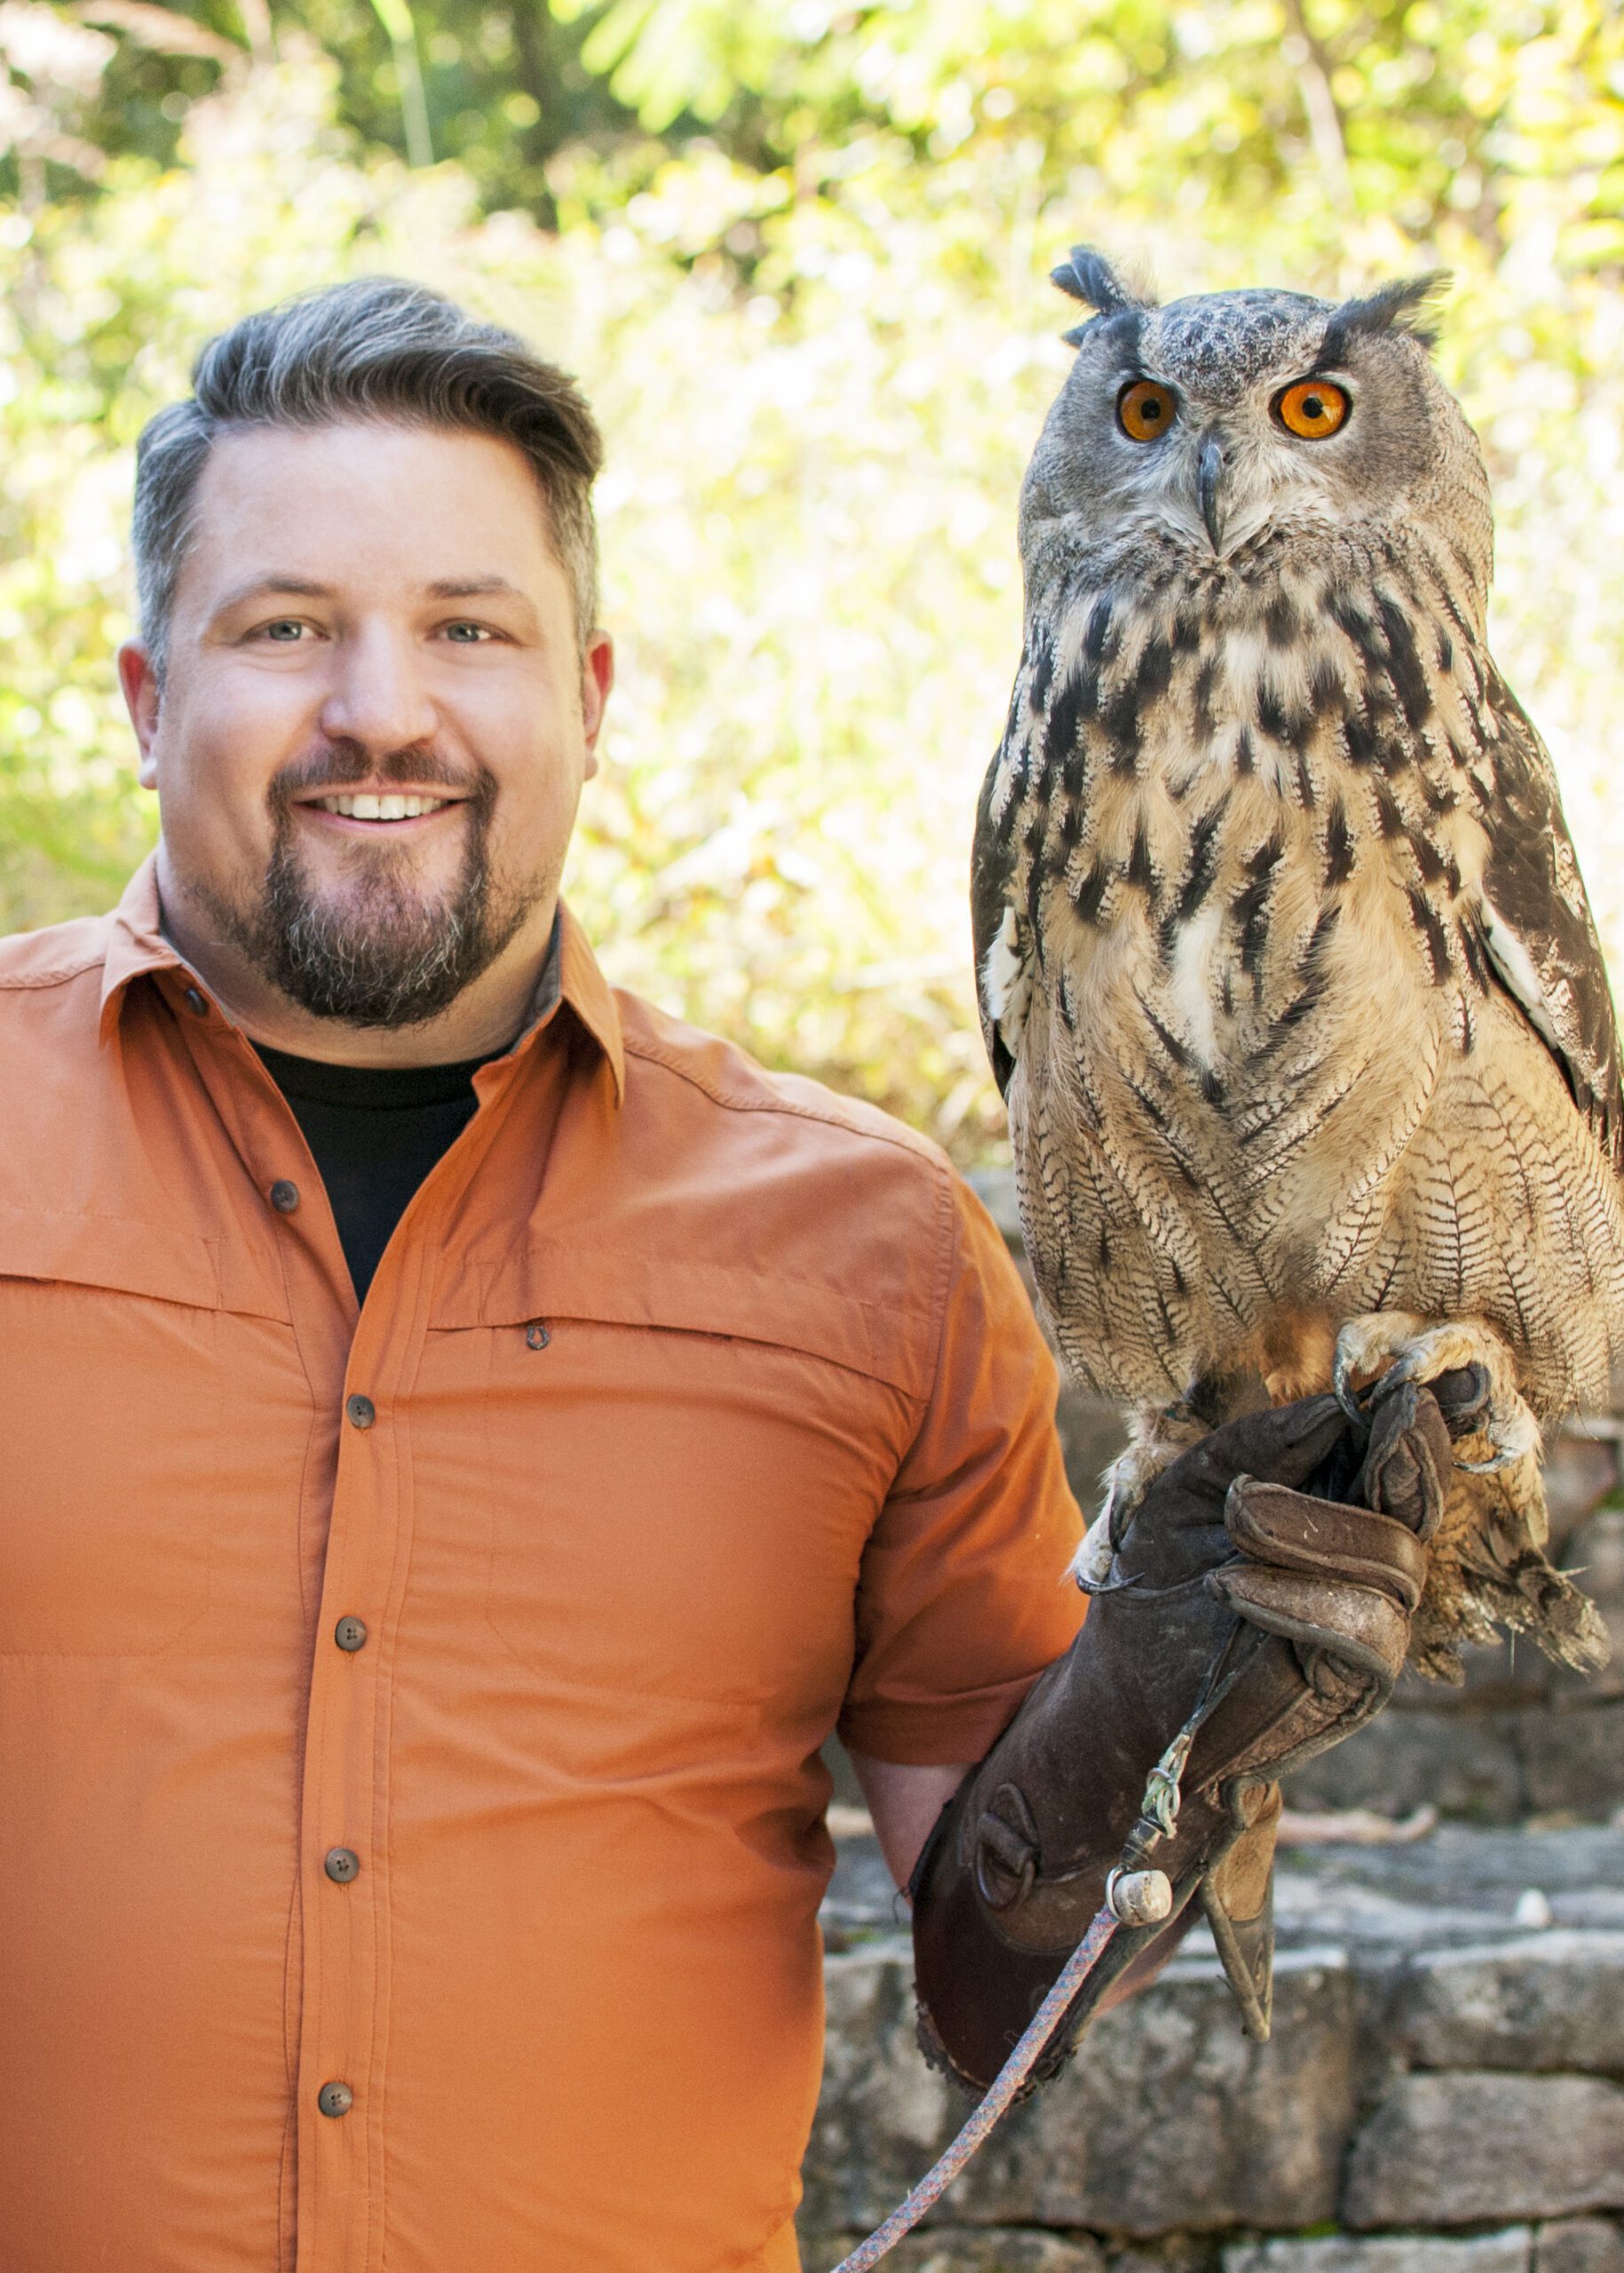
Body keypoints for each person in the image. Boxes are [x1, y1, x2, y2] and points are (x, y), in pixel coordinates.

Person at [0, 278, 1454, 2272]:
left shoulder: (868, 1249)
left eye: (466, 628)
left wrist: (1168, 1704)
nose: (380, 707)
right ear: (149, 695)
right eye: (281, 629)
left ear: (588, 692)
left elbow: (995, 1988)